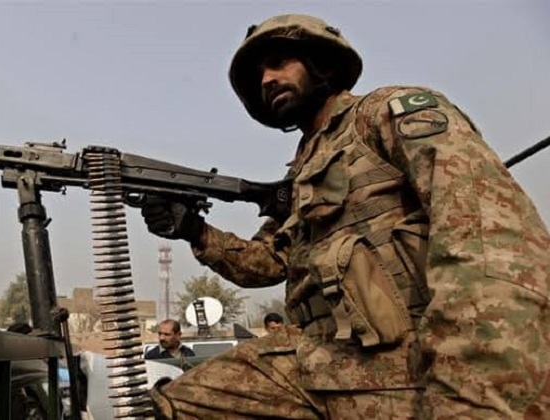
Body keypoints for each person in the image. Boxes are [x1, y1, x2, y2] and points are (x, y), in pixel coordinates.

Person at [141, 13, 550, 419]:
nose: (266, 80)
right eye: (258, 75)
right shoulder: (302, 171)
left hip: (405, 365)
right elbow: (268, 264)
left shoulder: (385, 113)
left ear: (323, 65)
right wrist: (195, 230)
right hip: (322, 363)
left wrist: (475, 391)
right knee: (176, 407)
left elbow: (491, 241)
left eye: (279, 63)